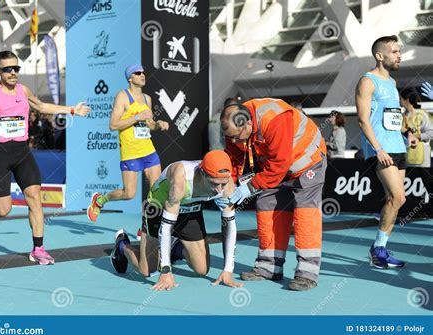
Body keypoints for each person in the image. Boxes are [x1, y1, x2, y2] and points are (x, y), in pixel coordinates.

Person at [0, 50, 90, 265]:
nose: (12, 73)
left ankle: (38, 248)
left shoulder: (24, 90)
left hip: (22, 152)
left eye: (16, 68)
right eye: (7, 69)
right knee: (3, 210)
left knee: (35, 199)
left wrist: (72, 109)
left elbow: (42, 106)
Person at [218, 97, 327, 291]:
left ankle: (307, 274)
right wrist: (229, 186)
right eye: (230, 137)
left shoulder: (275, 119)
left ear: (249, 123)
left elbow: (280, 165)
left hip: (308, 161)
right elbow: (234, 158)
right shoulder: (234, 125)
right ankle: (268, 267)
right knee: (266, 205)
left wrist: (249, 187)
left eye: (237, 137)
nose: (234, 141)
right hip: (275, 166)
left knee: (305, 212)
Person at [110, 150, 242, 290]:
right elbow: (166, 227)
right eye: (215, 184)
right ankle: (121, 246)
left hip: (190, 210)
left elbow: (229, 226)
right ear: (202, 174)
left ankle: (175, 248)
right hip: (159, 208)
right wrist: (165, 270)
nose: (219, 190)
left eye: (223, 184)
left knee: (202, 270)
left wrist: (228, 270)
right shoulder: (181, 178)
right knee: (147, 271)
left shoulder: (226, 183)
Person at [355, 35, 418, 269]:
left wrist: (408, 132)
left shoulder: (391, 83)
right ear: (379, 56)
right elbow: (362, 120)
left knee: (396, 200)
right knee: (398, 197)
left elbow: (395, 116)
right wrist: (378, 149)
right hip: (381, 149)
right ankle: (378, 249)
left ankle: (380, 248)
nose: (399, 55)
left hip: (397, 146)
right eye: (394, 51)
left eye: (399, 51)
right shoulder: (367, 81)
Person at [87, 64, 169, 227]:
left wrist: (159, 124)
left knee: (156, 192)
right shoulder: (123, 97)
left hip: (148, 150)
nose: (142, 75)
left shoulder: (147, 99)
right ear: (130, 78)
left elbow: (149, 125)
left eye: (143, 72)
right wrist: (137, 116)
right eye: (138, 73)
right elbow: (113, 125)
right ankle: (100, 200)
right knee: (129, 193)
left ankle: (146, 227)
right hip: (130, 152)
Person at [400, 87, 433, 168]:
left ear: (406, 100)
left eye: (400, 98)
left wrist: (413, 136)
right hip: (405, 162)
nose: (399, 101)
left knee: (426, 181)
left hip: (422, 163)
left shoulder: (421, 114)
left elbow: (431, 133)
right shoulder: (401, 115)